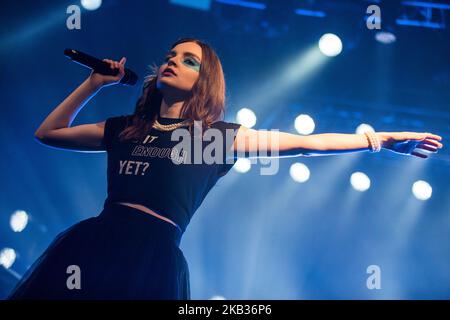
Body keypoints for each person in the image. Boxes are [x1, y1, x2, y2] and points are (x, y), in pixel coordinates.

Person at [8, 37, 443, 300]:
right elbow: (48, 133)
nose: (172, 61)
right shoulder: (124, 129)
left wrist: (379, 139)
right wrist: (92, 83)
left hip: (152, 256)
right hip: (94, 244)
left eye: (189, 60)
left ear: (204, 81)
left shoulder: (210, 138)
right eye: (170, 55)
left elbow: (305, 144)